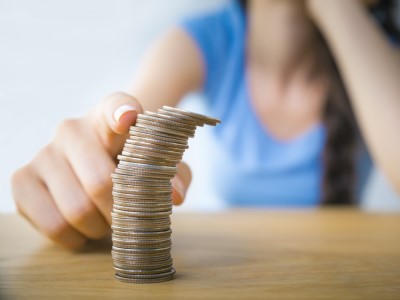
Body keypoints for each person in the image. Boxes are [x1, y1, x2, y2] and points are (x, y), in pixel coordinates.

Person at [11, 0, 400, 249]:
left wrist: (338, 8)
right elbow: (123, 136)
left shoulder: (379, 56)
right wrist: (92, 155)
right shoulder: (206, 38)